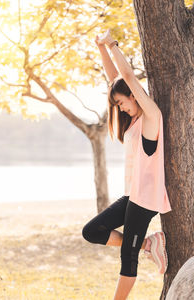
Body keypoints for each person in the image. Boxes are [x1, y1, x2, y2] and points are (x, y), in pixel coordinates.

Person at [82, 29, 172, 300]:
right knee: (92, 231)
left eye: (122, 103)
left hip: (146, 198)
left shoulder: (151, 116)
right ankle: (149, 243)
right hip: (132, 194)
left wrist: (112, 44)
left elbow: (128, 78)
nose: (120, 109)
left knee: (127, 257)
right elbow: (116, 80)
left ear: (134, 95)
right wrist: (101, 49)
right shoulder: (133, 119)